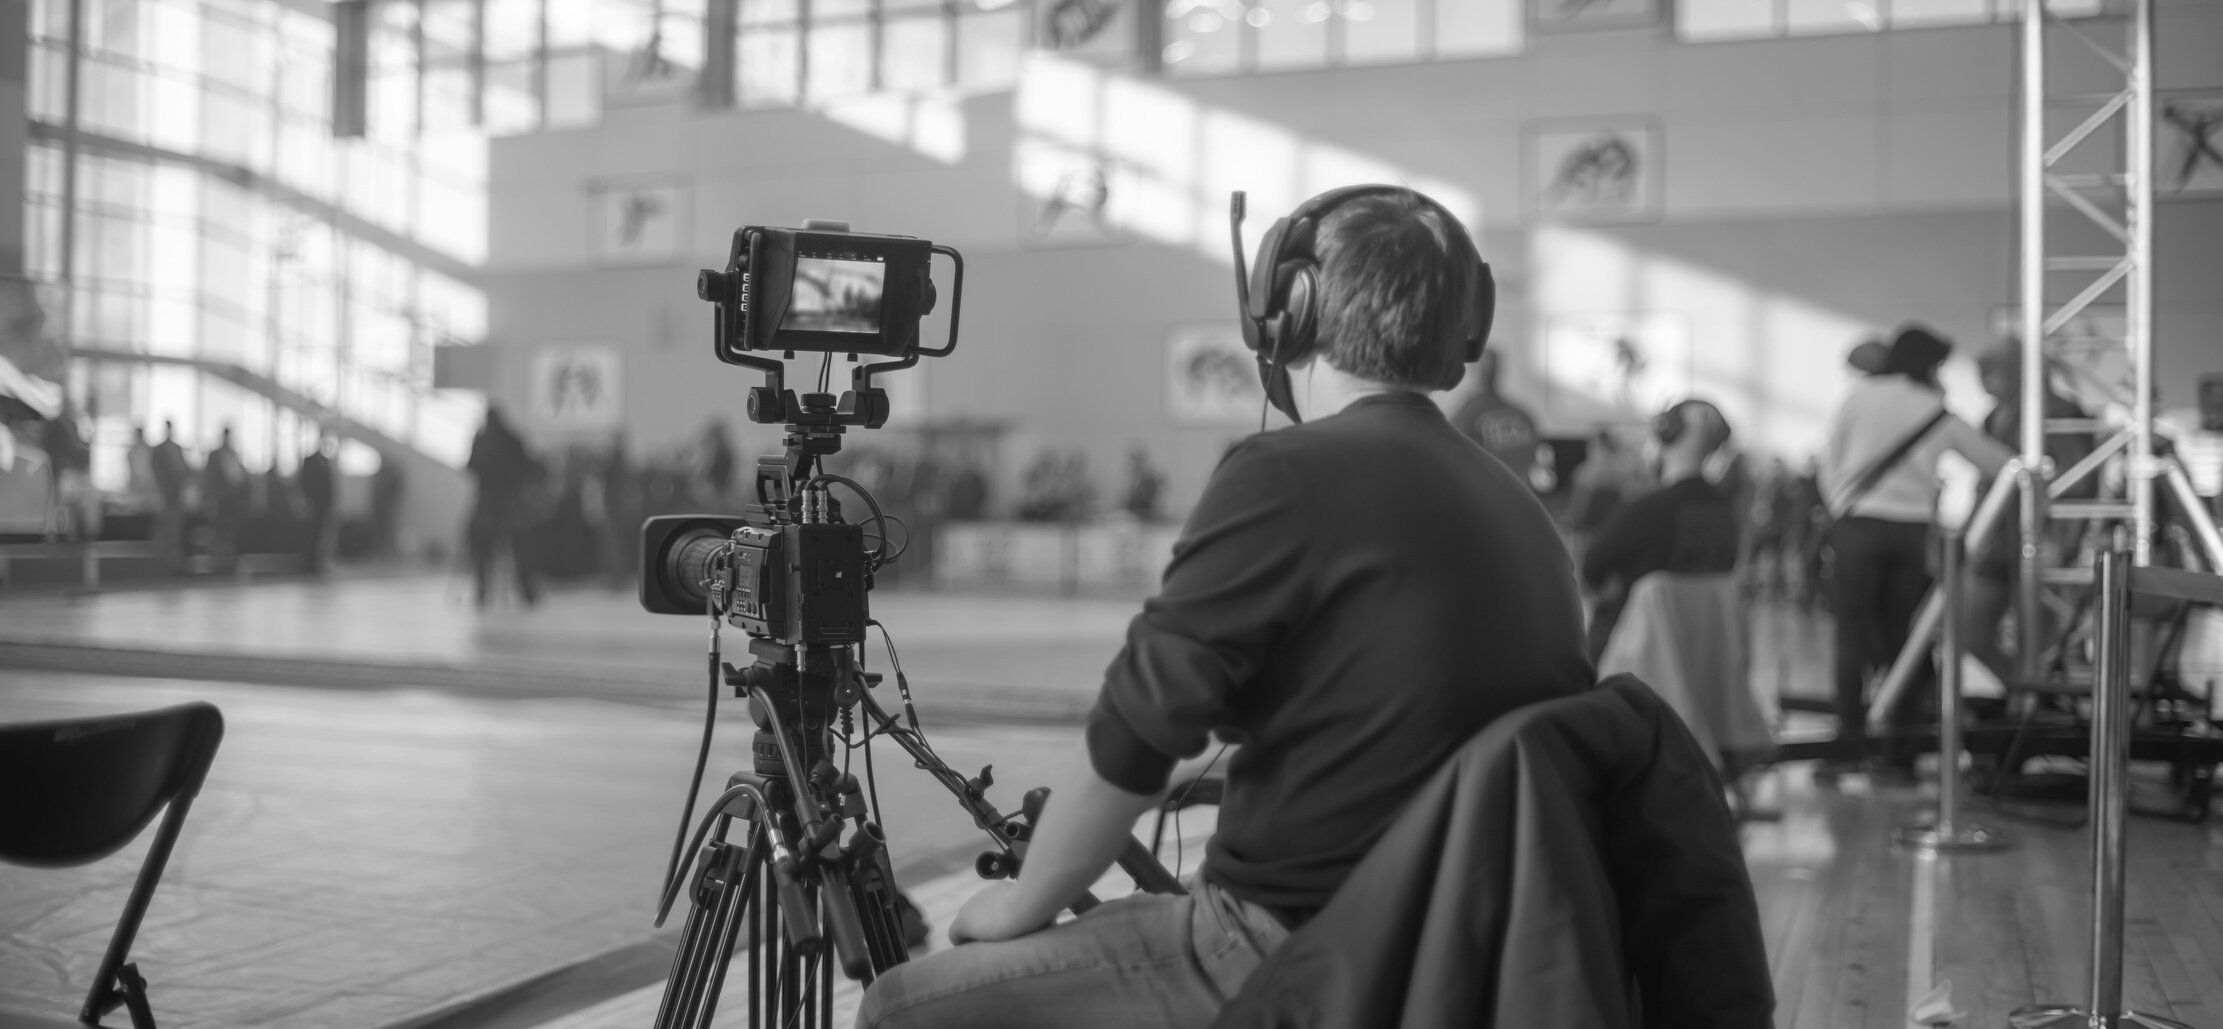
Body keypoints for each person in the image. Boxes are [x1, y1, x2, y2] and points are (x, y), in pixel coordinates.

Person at [855, 187, 1593, 1029]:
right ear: (1468, 324)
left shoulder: (1284, 472)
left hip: (1294, 940)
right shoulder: (1517, 506)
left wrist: (1021, 902)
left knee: (900, 1004)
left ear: (1289, 310)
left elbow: (1136, 732)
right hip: (1461, 943)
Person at [1814, 326, 2012, 785]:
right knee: (1904, 637)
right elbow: (1998, 462)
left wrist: (1842, 508)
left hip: (1857, 526)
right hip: (1910, 534)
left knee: (1850, 637)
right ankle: (1898, 753)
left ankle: (1848, 745)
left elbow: (1829, 462)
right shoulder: (1934, 410)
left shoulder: (1857, 398)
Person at [1960, 340, 2095, 684]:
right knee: (1971, 634)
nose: (1982, 381)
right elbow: (1987, 481)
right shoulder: (1995, 416)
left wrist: (2063, 542)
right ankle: (2021, 695)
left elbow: (2079, 484)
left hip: (2039, 541)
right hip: (1996, 542)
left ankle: (2030, 704)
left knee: (2033, 643)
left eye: (1988, 372)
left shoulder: (2060, 411)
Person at [1580, 399, 1742, 660]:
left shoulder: (1646, 510)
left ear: (1667, 432)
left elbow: (1590, 570)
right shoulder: (1728, 513)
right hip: (1701, 661)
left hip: (1632, 662)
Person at [466, 406, 542, 608]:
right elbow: (529, 466)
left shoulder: (484, 440)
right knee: (519, 549)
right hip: (510, 503)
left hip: (491, 504)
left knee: (485, 551)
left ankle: (482, 593)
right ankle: (527, 593)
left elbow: (470, 466)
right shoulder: (512, 440)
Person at [1450, 348, 1541, 485]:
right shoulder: (1523, 415)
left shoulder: (1466, 416)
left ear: (1473, 372)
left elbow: (1453, 456)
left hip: (1481, 495)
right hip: (1519, 493)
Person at [201, 425, 249, 572]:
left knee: (231, 532)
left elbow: (241, 478)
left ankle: (230, 561)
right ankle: (217, 561)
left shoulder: (234, 455)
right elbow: (209, 479)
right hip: (219, 501)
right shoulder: (216, 455)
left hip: (233, 502)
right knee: (218, 532)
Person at [151, 420, 192, 573]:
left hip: (176, 496)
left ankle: (175, 557)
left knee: (176, 527)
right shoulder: (159, 450)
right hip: (165, 495)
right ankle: (164, 558)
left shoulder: (177, 448)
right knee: (165, 527)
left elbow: (184, 471)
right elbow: (157, 471)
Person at [299, 432, 338, 574]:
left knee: (322, 536)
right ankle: (309, 564)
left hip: (324, 506)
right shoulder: (309, 461)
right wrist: (306, 501)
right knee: (311, 535)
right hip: (313, 505)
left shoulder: (326, 462)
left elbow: (329, 486)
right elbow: (304, 482)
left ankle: (318, 563)